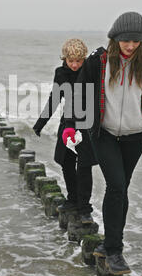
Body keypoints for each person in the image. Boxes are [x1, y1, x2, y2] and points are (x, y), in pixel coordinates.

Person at [62, 12, 142, 275]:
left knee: (122, 189)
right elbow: (79, 95)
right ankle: (114, 250)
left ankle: (108, 245)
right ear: (115, 38)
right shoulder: (98, 62)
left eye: (136, 41)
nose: (130, 46)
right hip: (104, 134)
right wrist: (69, 127)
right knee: (117, 186)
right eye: (125, 41)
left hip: (134, 136)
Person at [32, 38, 97, 224]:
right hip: (67, 122)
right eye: (71, 61)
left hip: (87, 123)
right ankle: (72, 199)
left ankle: (85, 208)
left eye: (79, 61)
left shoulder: (90, 71)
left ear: (84, 58)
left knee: (84, 166)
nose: (75, 65)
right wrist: (40, 123)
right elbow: (55, 98)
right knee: (66, 162)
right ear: (65, 59)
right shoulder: (60, 73)